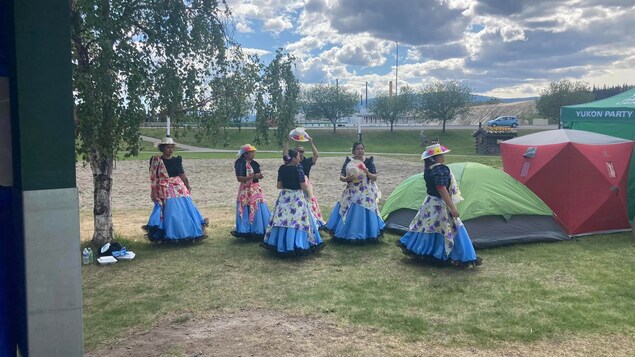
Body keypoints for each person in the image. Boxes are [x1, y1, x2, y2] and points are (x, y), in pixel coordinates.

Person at [397, 143, 481, 268]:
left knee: (427, 227)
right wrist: (452, 207)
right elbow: (442, 189)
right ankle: (455, 255)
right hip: (440, 205)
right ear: (435, 157)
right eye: (440, 154)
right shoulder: (441, 169)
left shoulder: (429, 169)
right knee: (450, 228)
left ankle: (427, 252)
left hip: (430, 203)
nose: (443, 156)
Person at [143, 136, 208, 242]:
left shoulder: (176, 160)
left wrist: (187, 185)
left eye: (172, 147)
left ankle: (188, 233)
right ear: (163, 148)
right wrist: (153, 191)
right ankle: (171, 234)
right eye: (168, 147)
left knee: (185, 209)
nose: (170, 150)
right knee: (170, 211)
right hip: (164, 188)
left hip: (179, 187)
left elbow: (182, 174)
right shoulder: (157, 160)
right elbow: (153, 177)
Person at [261, 149, 325, 256]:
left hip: (285, 196)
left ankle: (280, 243)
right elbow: (303, 186)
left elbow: (279, 186)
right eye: (298, 157)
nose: (300, 158)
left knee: (282, 220)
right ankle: (297, 243)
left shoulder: (282, 168)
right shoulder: (298, 169)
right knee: (298, 220)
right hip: (296, 197)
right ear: (294, 159)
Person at [325, 141, 385, 243]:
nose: (360, 151)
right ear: (353, 151)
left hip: (366, 191)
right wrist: (346, 178)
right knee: (349, 211)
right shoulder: (349, 161)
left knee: (366, 212)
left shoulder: (369, 161)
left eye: (362, 148)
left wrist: (367, 172)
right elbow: (341, 176)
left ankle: (367, 233)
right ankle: (348, 233)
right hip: (351, 191)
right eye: (358, 149)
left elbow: (374, 178)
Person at [283, 135, 326, 227]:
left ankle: (312, 222)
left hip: (306, 186)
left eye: (301, 151)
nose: (300, 153)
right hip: (295, 185)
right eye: (298, 151)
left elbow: (316, 155)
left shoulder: (307, 161)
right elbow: (285, 154)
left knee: (310, 204)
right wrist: (288, 141)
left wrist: (311, 143)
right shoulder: (292, 162)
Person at [231, 144, 271, 240]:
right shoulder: (240, 163)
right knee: (246, 206)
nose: (253, 154)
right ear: (245, 154)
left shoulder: (254, 163)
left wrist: (259, 176)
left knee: (258, 206)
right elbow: (240, 178)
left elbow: (259, 174)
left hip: (255, 188)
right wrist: (252, 177)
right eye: (251, 152)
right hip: (246, 188)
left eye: (253, 152)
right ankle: (247, 229)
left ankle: (259, 228)